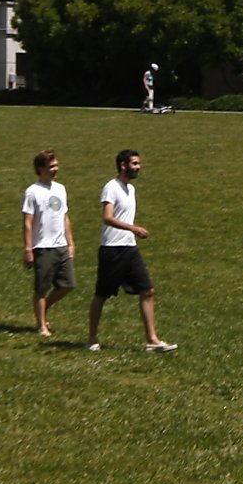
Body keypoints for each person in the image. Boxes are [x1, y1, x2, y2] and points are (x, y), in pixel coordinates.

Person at [87, 148, 176, 353]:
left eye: (138, 164)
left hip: (129, 248)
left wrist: (131, 233)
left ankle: (152, 340)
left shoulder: (130, 189)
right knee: (102, 294)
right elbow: (107, 217)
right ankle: (92, 338)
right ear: (123, 165)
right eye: (135, 164)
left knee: (147, 290)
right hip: (112, 249)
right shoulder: (112, 187)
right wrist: (133, 228)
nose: (139, 167)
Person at [22, 148, 76, 336]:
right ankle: (41, 325)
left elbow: (65, 217)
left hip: (61, 245)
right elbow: (28, 222)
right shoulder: (32, 192)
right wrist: (28, 249)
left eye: (56, 165)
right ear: (40, 168)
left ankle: (43, 310)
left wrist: (71, 243)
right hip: (43, 247)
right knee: (42, 288)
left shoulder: (60, 189)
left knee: (68, 285)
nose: (55, 169)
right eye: (51, 166)